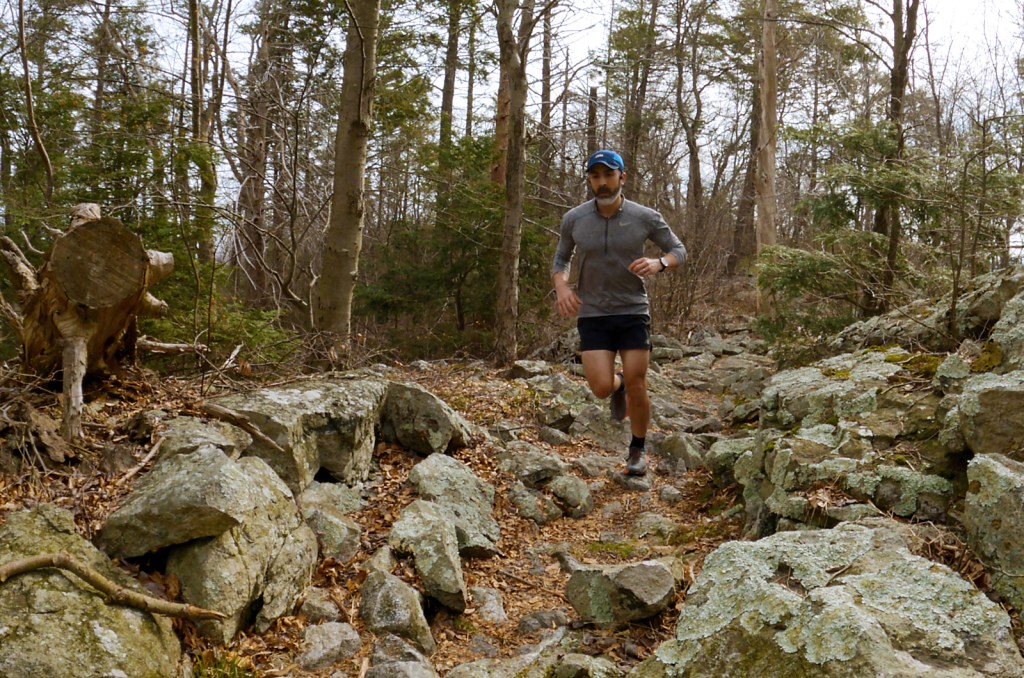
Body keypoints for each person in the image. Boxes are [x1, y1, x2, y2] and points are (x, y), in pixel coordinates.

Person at [551, 149, 687, 476]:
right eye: (595, 176)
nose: (602, 182)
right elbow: (561, 260)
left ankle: (637, 449)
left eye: (608, 175)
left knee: (640, 381)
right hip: (594, 312)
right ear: (589, 180)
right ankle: (619, 383)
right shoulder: (574, 219)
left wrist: (660, 263)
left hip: (632, 310)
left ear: (622, 177)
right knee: (600, 387)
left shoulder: (645, 217)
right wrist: (563, 288)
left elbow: (678, 250)